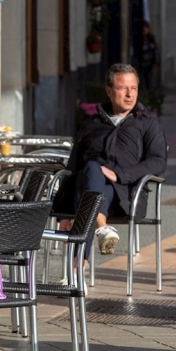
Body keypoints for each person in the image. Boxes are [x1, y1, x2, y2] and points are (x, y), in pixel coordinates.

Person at [54, 63, 167, 256]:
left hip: (127, 195)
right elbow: (73, 165)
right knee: (91, 174)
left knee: (90, 196)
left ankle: (78, 268)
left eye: (134, 88)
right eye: (123, 88)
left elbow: (158, 161)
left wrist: (119, 174)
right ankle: (102, 227)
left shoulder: (147, 124)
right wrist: (62, 212)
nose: (129, 94)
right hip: (86, 191)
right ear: (109, 91)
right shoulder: (92, 123)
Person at [140, 21, 159, 90]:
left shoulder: (151, 38)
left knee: (149, 80)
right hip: (142, 62)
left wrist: (155, 62)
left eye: (146, 28)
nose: (145, 30)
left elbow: (155, 51)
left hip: (149, 62)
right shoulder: (139, 39)